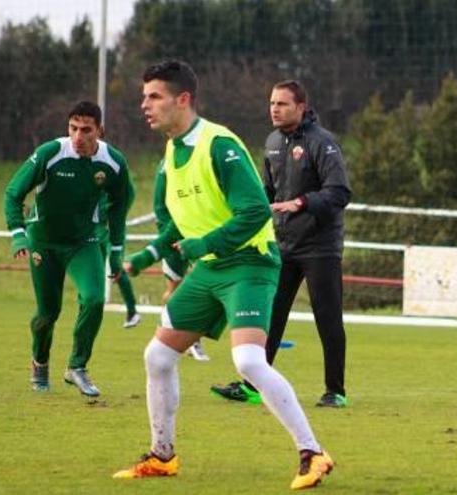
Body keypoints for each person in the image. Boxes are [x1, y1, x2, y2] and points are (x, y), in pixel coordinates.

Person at [113, 60, 333, 489]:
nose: (145, 105)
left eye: (154, 96)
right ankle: (162, 456)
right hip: (211, 269)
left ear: (183, 100)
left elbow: (253, 212)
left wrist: (203, 245)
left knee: (248, 361)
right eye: (144, 97)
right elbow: (182, 223)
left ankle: (313, 453)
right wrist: (144, 258)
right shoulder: (172, 154)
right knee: (157, 356)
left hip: (249, 263)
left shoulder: (218, 144)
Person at [211, 80, 352, 408]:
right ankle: (252, 386)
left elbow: (340, 192)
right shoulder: (272, 141)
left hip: (320, 247)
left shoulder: (323, 143)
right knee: (269, 315)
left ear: (301, 107)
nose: (274, 109)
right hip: (282, 245)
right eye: (272, 103)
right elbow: (268, 193)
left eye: (282, 104)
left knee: (327, 318)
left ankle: (335, 391)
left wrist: (301, 203)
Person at [4, 101, 133, 397]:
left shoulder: (113, 163)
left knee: (95, 299)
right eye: (73, 128)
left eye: (86, 130)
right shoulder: (50, 153)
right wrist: (18, 234)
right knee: (48, 313)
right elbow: (13, 193)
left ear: (100, 130)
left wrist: (116, 252)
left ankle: (77, 366)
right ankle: (40, 362)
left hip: (82, 242)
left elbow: (119, 208)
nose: (78, 136)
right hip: (43, 243)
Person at [153, 157, 209, 361]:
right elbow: (159, 205)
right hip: (173, 236)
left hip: (199, 235)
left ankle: (194, 340)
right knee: (173, 288)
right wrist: (168, 234)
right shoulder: (166, 165)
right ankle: (166, 334)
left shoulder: (202, 159)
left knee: (200, 285)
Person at [96, 194, 140, 329]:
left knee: (116, 268)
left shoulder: (113, 178)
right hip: (95, 230)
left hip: (112, 230)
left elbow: (128, 194)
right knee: (96, 269)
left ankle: (132, 312)